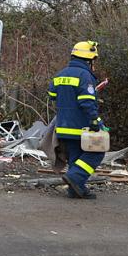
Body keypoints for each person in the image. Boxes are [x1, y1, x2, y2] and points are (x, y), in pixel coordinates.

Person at [48, 40, 107, 199]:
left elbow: (52, 95)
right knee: (97, 152)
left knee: (75, 156)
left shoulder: (60, 74)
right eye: (93, 61)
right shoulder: (85, 75)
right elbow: (87, 102)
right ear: (88, 60)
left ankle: (75, 190)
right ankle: (75, 177)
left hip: (63, 126)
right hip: (80, 126)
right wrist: (95, 121)